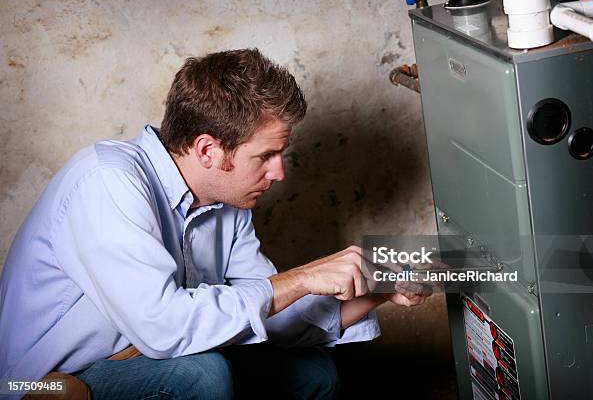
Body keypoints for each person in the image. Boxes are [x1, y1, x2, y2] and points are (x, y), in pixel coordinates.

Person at [0, 48, 430, 399]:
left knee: (313, 374)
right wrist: (302, 277)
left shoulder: (227, 202)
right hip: (42, 379)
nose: (279, 173)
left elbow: (269, 314)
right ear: (208, 150)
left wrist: (380, 289)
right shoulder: (107, 182)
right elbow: (164, 329)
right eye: (265, 156)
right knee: (202, 377)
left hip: (147, 355)